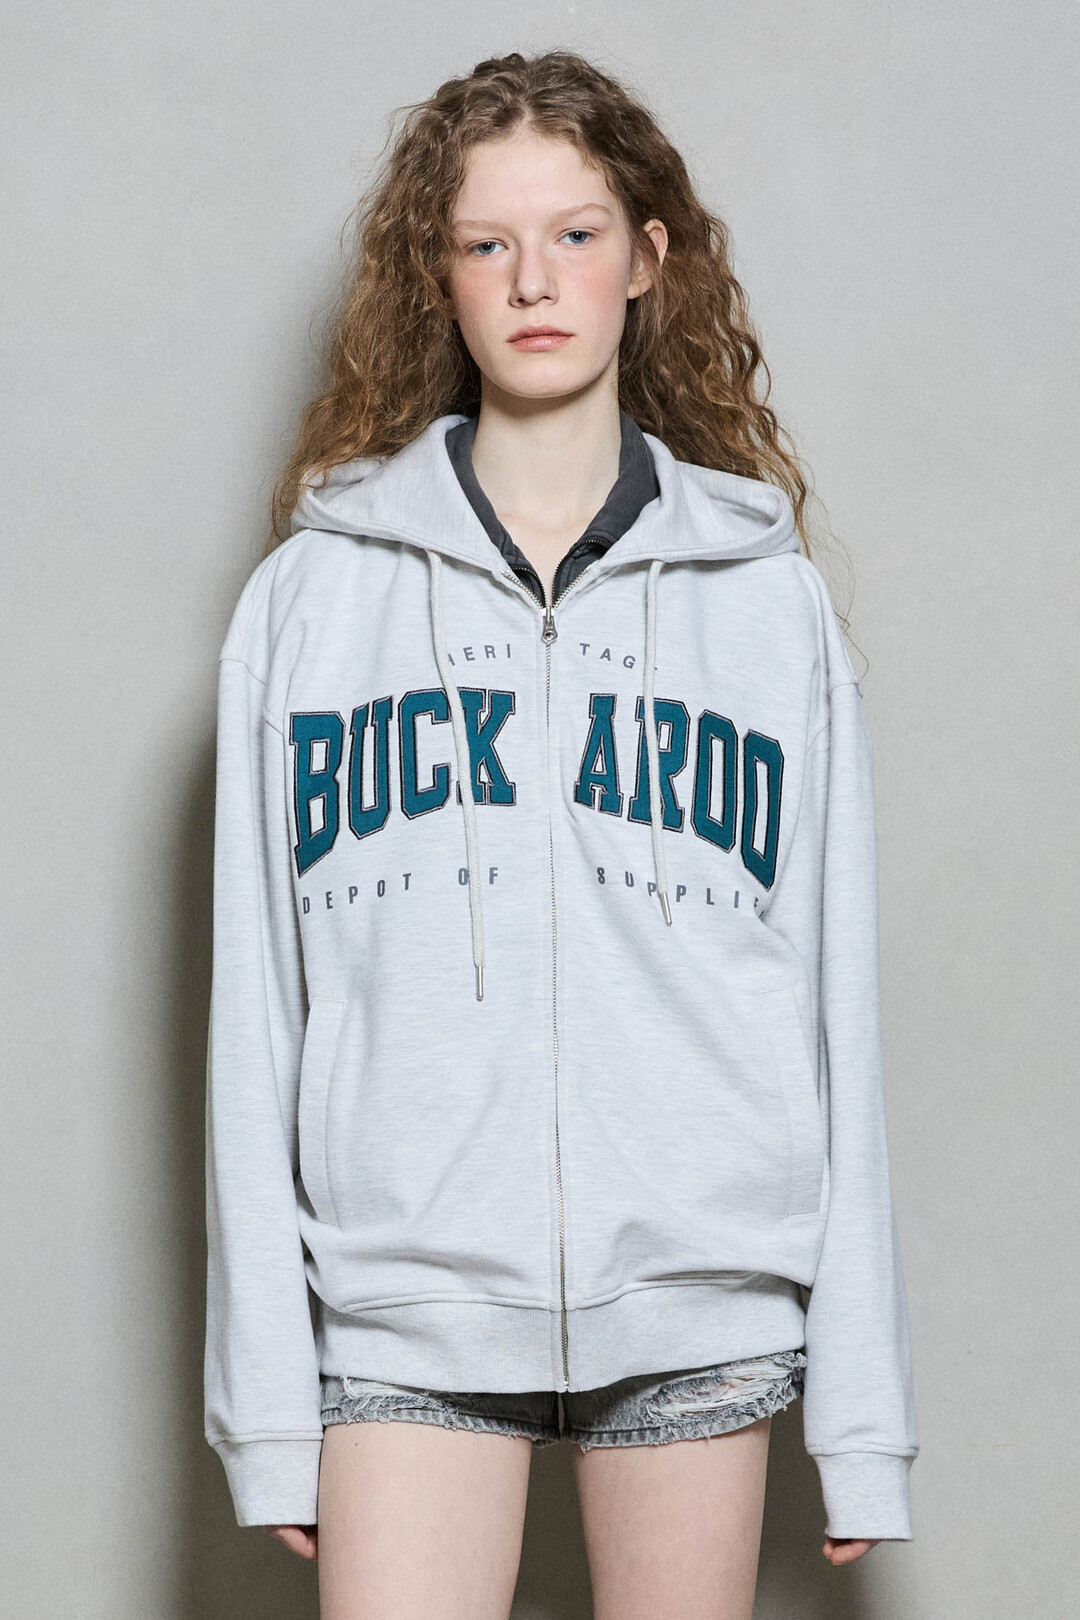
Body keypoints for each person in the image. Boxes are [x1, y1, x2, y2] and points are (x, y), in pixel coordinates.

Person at [203, 48, 919, 1618]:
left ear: (648, 261)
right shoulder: (315, 603)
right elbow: (256, 1017)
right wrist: (268, 1412)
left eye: (576, 234)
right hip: (404, 1310)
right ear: (439, 279)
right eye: (488, 242)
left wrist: (862, 1420)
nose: (534, 280)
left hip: (699, 1299)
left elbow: (834, 1005)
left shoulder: (766, 606)